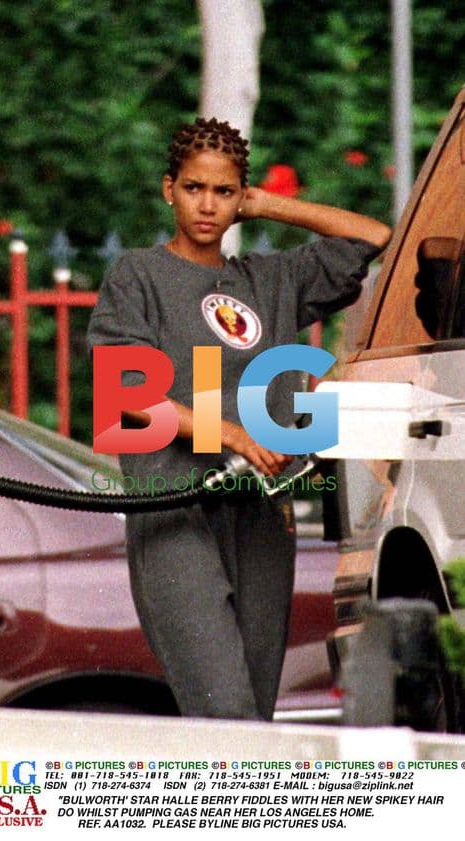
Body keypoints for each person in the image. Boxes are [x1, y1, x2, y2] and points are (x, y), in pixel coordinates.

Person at [87, 116, 391, 721]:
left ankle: (239, 795)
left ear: (241, 198)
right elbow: (124, 392)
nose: (208, 205)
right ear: (168, 189)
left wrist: (267, 204)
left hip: (261, 517)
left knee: (255, 714)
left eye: (224, 192)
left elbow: (372, 236)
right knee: (223, 704)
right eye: (194, 188)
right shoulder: (138, 275)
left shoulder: (269, 280)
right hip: (174, 512)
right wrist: (231, 434)